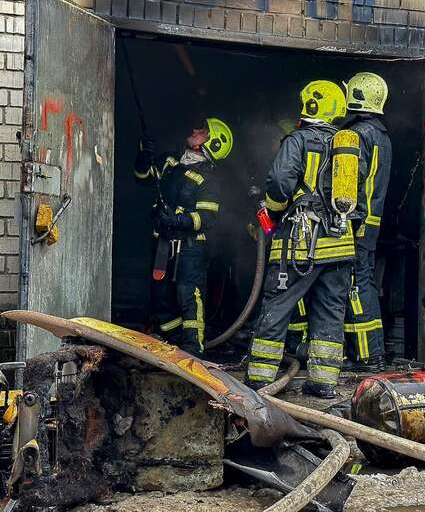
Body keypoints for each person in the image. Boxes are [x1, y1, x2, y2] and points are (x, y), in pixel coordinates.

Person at [245, 80, 359, 398]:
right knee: (330, 311)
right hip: (340, 243)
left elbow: (280, 183)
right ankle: (323, 382)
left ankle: (260, 379)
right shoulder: (347, 147)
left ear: (310, 105)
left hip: (302, 242)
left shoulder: (297, 140)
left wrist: (273, 211)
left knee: (278, 304)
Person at [134, 117, 233, 356]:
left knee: (188, 296)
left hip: (190, 248)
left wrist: (177, 220)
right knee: (161, 297)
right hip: (163, 245)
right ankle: (173, 344)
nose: (195, 129)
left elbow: (207, 218)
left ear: (210, 143)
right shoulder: (171, 160)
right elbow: (143, 177)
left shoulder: (209, 178)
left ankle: (192, 350)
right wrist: (144, 156)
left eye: (203, 131)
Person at [340, 72, 392, 372]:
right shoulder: (381, 134)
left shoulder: (357, 135)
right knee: (364, 282)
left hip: (355, 222)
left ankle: (368, 356)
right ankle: (370, 352)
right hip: (369, 223)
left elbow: (350, 184)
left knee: (356, 286)